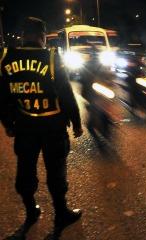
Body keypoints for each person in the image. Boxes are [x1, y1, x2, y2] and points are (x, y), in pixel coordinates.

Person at [0, 17, 83, 232]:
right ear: (42, 36)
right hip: (53, 127)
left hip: (25, 127)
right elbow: (66, 94)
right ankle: (61, 215)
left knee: (25, 172)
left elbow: (2, 98)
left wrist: (8, 123)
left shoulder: (6, 59)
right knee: (56, 172)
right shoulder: (52, 58)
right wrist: (76, 122)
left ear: (23, 36)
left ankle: (31, 212)